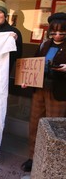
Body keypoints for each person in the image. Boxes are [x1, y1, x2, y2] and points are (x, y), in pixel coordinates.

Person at [21, 12, 66, 172]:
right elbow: (32, 65)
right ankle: (33, 157)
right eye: (54, 31)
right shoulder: (44, 45)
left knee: (54, 127)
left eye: (62, 32)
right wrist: (25, 79)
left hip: (58, 93)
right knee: (35, 124)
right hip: (39, 89)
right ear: (50, 31)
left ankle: (52, 159)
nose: (58, 35)